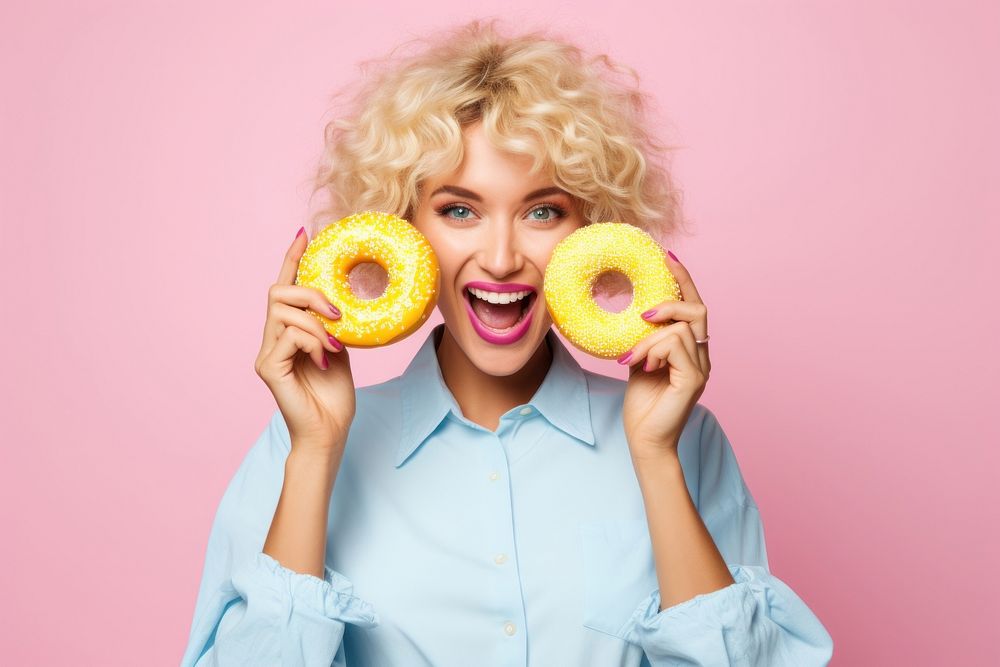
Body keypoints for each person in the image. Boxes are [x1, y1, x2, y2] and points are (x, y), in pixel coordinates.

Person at [180, 19, 834, 666]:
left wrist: (657, 457)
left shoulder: (685, 439)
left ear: (593, 229)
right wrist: (317, 452)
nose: (499, 258)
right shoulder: (298, 445)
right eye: (459, 210)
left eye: (542, 210)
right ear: (403, 228)